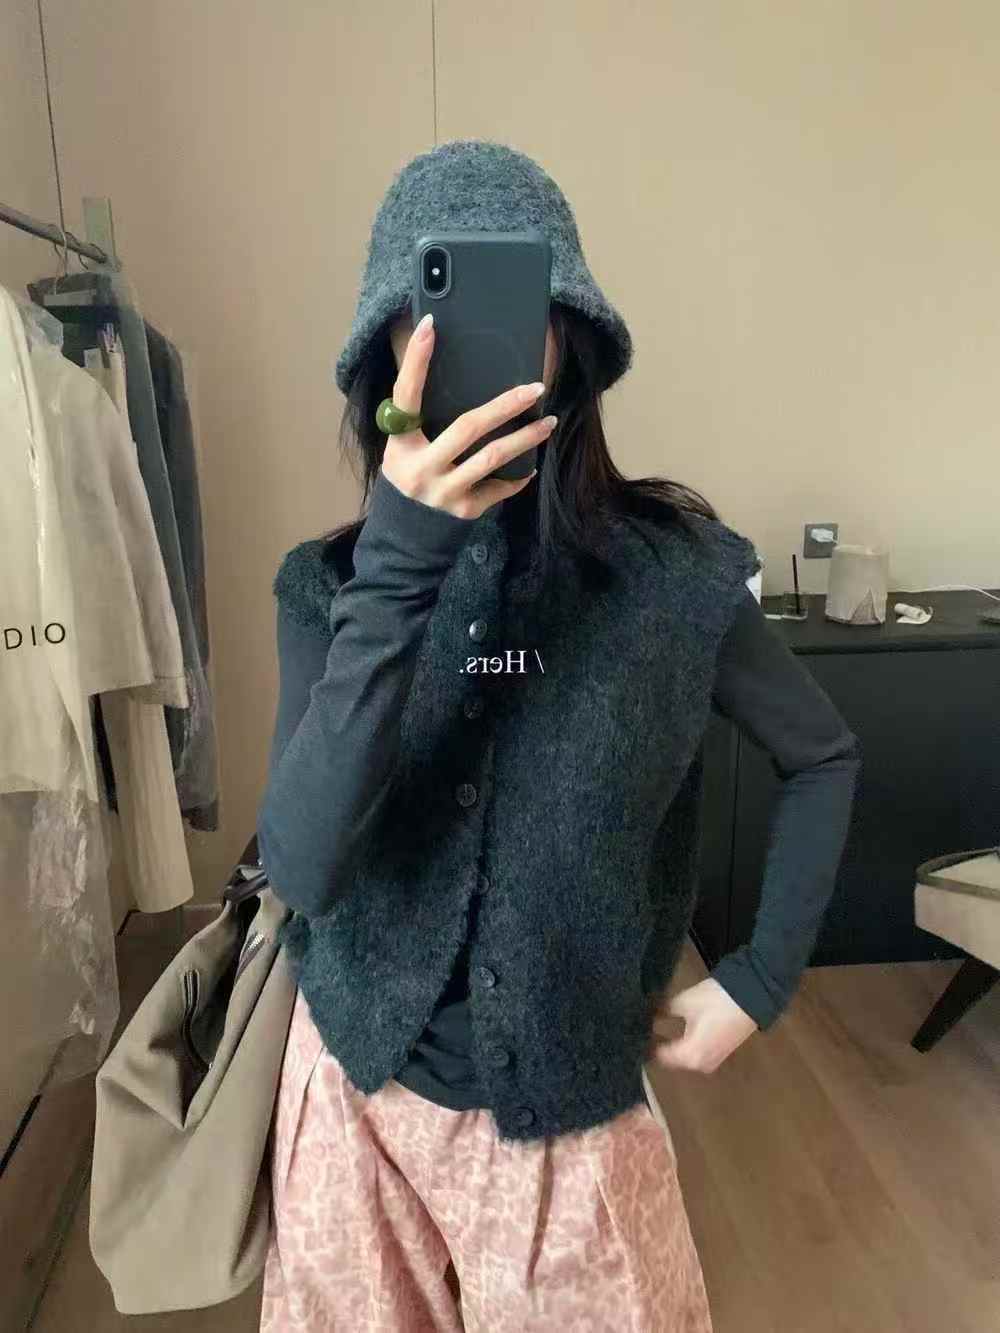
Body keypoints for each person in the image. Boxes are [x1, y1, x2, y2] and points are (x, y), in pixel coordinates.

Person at [255, 140, 861, 1332]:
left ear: (567, 339)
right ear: (384, 356)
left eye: (507, 306)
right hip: (351, 1106)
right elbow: (305, 867)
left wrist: (759, 978)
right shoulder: (329, 587)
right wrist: (399, 567)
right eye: (423, 312)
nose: (460, 344)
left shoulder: (673, 581)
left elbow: (822, 756)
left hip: (570, 1127)